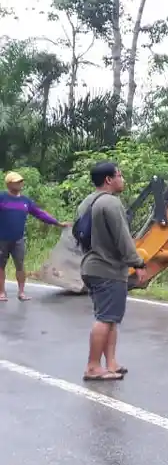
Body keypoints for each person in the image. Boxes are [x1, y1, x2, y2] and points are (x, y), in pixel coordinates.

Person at [78, 162, 149, 381]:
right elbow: (123, 239)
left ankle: (110, 363)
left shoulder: (87, 202)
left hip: (92, 265)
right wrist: (138, 263)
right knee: (105, 318)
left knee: (110, 318)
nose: (122, 179)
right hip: (107, 269)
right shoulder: (111, 203)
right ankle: (92, 367)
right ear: (109, 180)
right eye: (120, 175)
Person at [0, 171, 69, 302]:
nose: (20, 184)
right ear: (9, 184)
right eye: (16, 182)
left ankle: (21, 292)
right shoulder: (2, 198)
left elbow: (39, 213)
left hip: (18, 239)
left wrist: (57, 223)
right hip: (2, 239)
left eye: (21, 181)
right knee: (0, 266)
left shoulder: (25, 201)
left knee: (20, 265)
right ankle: (1, 292)